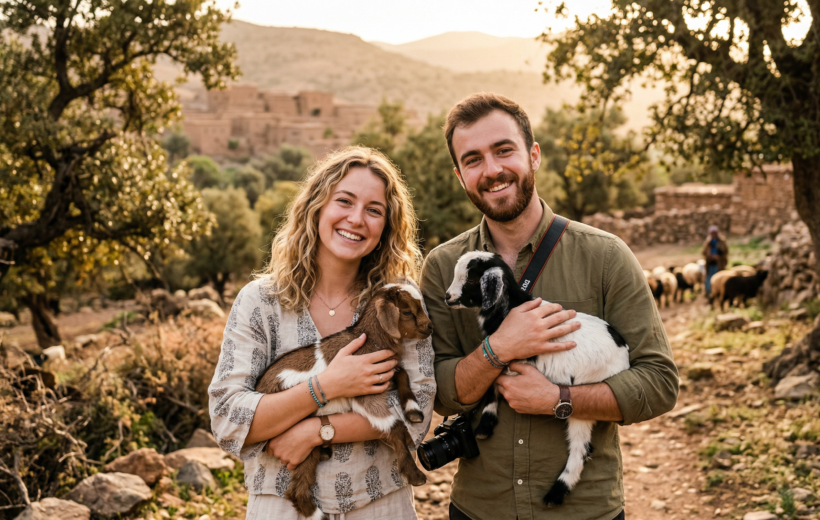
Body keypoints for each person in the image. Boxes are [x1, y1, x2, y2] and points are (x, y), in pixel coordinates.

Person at [420, 93, 679, 520]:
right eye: (473, 159)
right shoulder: (443, 266)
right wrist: (497, 349)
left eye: (504, 150)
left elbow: (659, 383)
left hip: (585, 512)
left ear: (534, 155)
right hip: (480, 509)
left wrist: (559, 399)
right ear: (460, 176)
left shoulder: (606, 257)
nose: (492, 169)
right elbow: (442, 394)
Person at [208, 146, 436, 520]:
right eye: (344, 201)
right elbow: (227, 418)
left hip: (380, 506)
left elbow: (419, 411)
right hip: (280, 507)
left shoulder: (399, 300)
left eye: (374, 210)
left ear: (386, 227)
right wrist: (326, 386)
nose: (356, 219)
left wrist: (317, 431)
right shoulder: (260, 302)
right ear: (316, 207)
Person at [702, 225, 729, 297]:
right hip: (710, 263)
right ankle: (709, 292)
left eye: (714, 233)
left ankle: (718, 292)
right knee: (709, 277)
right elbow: (704, 252)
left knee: (718, 277)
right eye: (712, 233)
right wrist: (710, 255)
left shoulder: (722, 241)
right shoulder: (708, 242)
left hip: (719, 263)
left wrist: (719, 256)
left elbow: (725, 251)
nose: (713, 234)